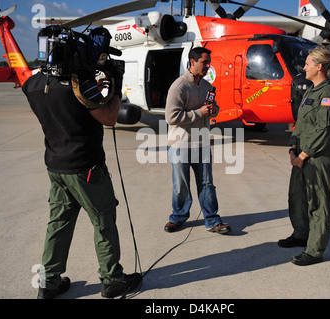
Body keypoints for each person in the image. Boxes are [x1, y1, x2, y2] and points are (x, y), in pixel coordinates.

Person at [22, 27, 141, 299]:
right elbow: (110, 117)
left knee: (59, 223)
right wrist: (115, 83)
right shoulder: (81, 84)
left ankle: (49, 281)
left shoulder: (34, 84)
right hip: (86, 168)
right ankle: (112, 280)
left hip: (56, 166)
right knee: (103, 221)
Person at [278, 46, 330, 266]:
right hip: (301, 156)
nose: (304, 67)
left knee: (318, 203)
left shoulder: (328, 94)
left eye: (307, 64)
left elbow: (323, 131)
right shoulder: (310, 92)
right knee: (297, 197)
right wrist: (292, 149)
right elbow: (300, 124)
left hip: (316, 158)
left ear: (319, 67)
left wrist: (303, 155)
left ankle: (315, 250)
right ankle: (301, 235)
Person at [164, 47, 231, 234]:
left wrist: (213, 110)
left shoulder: (207, 87)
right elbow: (171, 117)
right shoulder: (179, 87)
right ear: (192, 62)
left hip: (201, 144)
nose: (208, 66)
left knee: (208, 184)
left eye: (209, 62)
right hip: (180, 145)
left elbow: (213, 108)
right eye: (204, 62)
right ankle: (177, 217)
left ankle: (212, 220)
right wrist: (199, 113)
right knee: (181, 186)